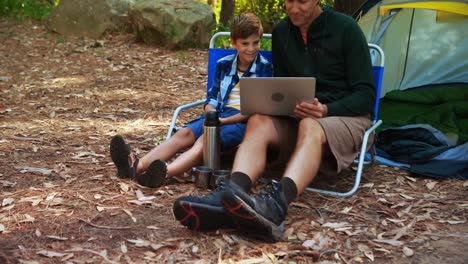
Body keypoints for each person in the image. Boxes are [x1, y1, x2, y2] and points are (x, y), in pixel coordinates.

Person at [173, 0, 376, 241]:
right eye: (289, 0)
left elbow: (366, 94)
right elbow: (283, 87)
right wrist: (282, 106)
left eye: (302, 1)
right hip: (298, 117)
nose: (294, 8)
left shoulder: (346, 29)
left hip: (344, 116)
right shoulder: (282, 33)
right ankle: (233, 195)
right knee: (258, 119)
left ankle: (277, 204)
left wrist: (327, 109)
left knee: (311, 124)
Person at [110, 12, 273, 188]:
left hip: (242, 121)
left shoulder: (265, 68)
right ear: (233, 43)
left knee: (205, 140)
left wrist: (222, 121)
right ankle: (136, 167)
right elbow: (212, 98)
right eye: (245, 43)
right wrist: (211, 114)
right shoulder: (223, 64)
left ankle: (165, 173)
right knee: (184, 133)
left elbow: (255, 109)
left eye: (255, 43)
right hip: (218, 114)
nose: (251, 48)